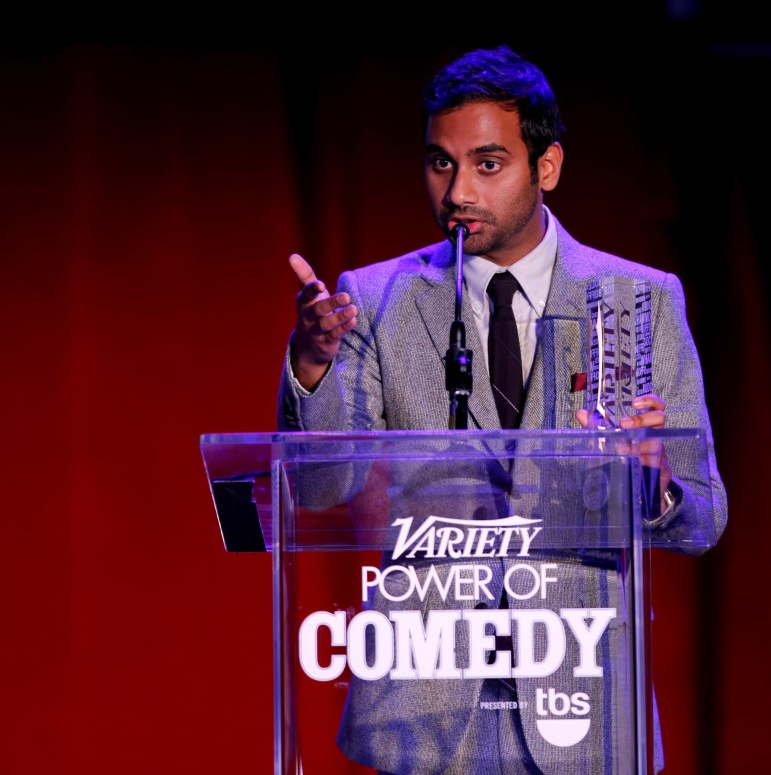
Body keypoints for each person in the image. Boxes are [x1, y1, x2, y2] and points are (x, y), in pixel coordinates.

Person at [278, 44, 726, 775]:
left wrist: (657, 478)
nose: (458, 191)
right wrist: (312, 363)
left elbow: (702, 518)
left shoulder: (641, 298)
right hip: (425, 715)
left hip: (582, 704)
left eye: (488, 164)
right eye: (440, 162)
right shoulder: (375, 298)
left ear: (545, 167)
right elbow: (323, 487)